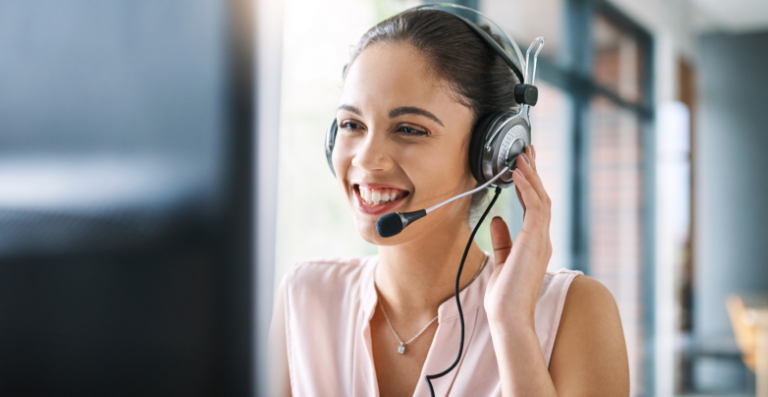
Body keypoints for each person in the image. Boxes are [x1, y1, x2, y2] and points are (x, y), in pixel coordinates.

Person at [269, 7, 629, 397]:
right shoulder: (305, 297)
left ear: (491, 156)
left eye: (409, 129)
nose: (367, 160)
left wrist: (512, 326)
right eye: (352, 125)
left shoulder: (577, 313)